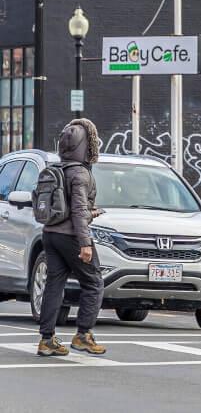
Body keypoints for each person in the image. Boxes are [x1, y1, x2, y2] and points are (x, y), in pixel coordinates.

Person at [38, 118, 106, 357]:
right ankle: (83, 335)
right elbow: (77, 210)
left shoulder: (56, 169)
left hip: (50, 233)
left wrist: (91, 212)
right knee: (94, 282)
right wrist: (85, 243)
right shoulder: (80, 173)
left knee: (54, 285)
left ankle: (47, 339)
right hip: (72, 236)